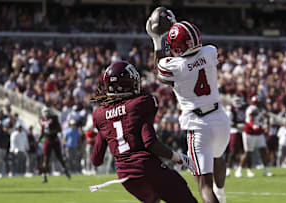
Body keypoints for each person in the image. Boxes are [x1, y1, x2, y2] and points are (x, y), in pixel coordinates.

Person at [146, 13, 230, 203]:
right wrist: (176, 27)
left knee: (204, 186)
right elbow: (192, 51)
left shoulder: (176, 66)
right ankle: (222, 194)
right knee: (218, 156)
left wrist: (158, 40)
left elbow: (160, 69)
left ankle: (218, 196)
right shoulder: (210, 51)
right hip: (220, 119)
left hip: (199, 124)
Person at [91, 61, 197, 203]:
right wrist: (179, 158)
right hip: (146, 167)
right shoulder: (141, 103)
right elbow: (150, 142)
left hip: (125, 176)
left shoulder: (100, 114)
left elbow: (96, 160)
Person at [235, 96, 273, 178]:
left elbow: (264, 120)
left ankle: (266, 170)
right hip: (250, 133)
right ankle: (239, 170)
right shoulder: (251, 109)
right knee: (248, 152)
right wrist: (254, 126)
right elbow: (250, 120)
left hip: (259, 133)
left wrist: (266, 126)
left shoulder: (261, 109)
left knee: (263, 150)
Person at [38, 106, 70, 183]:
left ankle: (65, 169)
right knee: (46, 158)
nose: (46, 114)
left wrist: (52, 131)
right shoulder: (42, 119)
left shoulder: (54, 118)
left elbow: (59, 129)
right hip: (47, 140)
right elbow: (42, 131)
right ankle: (44, 176)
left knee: (59, 156)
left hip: (54, 139)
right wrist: (38, 139)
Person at [225, 94, 246, 177]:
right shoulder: (230, 108)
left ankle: (247, 169)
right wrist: (238, 125)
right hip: (234, 130)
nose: (238, 102)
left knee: (244, 151)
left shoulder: (244, 107)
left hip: (243, 131)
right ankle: (228, 169)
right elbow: (228, 122)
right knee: (233, 151)